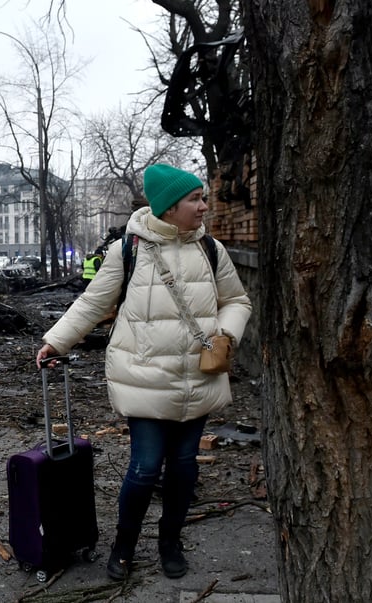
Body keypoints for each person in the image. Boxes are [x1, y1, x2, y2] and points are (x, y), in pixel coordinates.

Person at [34, 163, 252, 582]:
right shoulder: (128, 250)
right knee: (146, 467)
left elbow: (237, 301)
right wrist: (57, 341)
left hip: (199, 376)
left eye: (203, 198)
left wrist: (226, 334)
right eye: (195, 199)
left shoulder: (212, 250)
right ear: (170, 207)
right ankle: (124, 545)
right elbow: (93, 303)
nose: (204, 206)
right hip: (145, 378)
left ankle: (170, 542)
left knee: (184, 466)